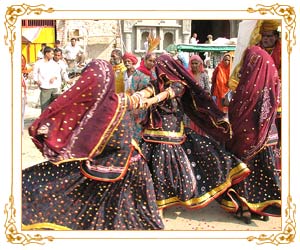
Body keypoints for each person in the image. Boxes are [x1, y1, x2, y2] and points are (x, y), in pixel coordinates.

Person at [22, 59, 164, 230]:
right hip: (128, 165)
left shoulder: (90, 105)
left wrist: (158, 90)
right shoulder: (116, 102)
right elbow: (138, 99)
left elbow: (139, 99)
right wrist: (157, 90)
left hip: (117, 167)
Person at [135, 54, 250, 214]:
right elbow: (148, 91)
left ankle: (165, 202)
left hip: (172, 133)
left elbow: (167, 94)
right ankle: (157, 203)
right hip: (152, 132)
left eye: (160, 66)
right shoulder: (156, 83)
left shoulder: (178, 84)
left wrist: (150, 101)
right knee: (153, 167)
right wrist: (136, 97)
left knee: (166, 166)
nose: (157, 69)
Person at [219, 21, 281, 224]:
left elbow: (237, 110)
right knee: (265, 168)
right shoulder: (271, 76)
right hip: (269, 133)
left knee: (245, 167)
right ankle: (263, 207)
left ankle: (245, 208)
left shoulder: (247, 89)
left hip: (248, 134)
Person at [33, 46, 62, 112]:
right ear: (46, 54)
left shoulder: (54, 64)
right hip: (45, 87)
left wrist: (54, 77)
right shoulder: (39, 63)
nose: (53, 55)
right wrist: (37, 80)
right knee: (45, 108)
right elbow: (35, 73)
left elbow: (57, 73)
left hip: (54, 87)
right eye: (51, 54)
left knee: (54, 107)